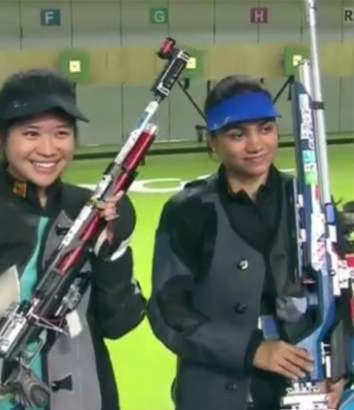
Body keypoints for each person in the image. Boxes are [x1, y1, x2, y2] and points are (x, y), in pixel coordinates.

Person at [0, 69, 146, 410]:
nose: (48, 149)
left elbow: (120, 323)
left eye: (61, 133)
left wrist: (111, 249)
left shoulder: (91, 210)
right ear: (0, 136)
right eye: (31, 133)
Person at [147, 75, 345, 410]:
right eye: (237, 134)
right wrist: (251, 350)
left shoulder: (308, 201)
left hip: (306, 384)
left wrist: (339, 373)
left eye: (265, 129)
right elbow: (169, 312)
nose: (255, 145)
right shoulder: (188, 212)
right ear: (212, 141)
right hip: (214, 389)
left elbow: (340, 296)